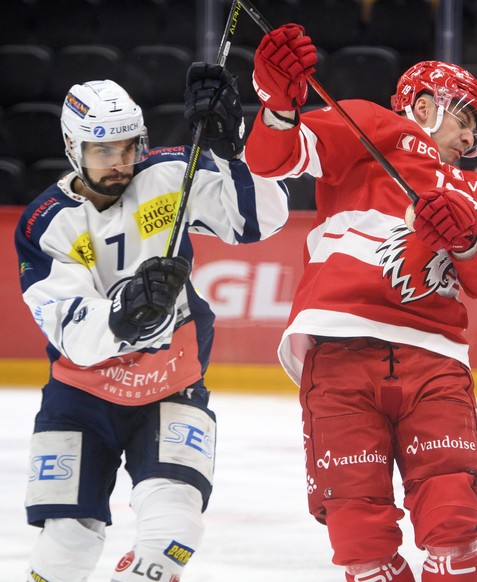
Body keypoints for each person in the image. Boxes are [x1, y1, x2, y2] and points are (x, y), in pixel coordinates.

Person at [244, 23, 477, 581]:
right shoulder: (371, 125)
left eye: (476, 131)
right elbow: (271, 158)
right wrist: (277, 101)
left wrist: (466, 237)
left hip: (433, 358)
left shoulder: (475, 193)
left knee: (453, 520)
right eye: (463, 118)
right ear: (422, 103)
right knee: (358, 534)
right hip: (340, 346)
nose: (469, 140)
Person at [14, 70, 289, 581]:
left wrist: (234, 152)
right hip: (80, 399)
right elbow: (71, 329)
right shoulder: (45, 223)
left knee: (174, 532)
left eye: (128, 147)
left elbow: (258, 222)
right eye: (102, 152)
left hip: (171, 387)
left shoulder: (169, 174)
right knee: (68, 541)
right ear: (72, 148)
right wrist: (128, 309)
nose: (119, 164)